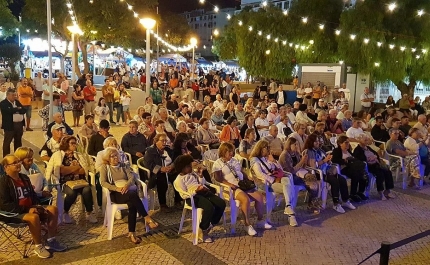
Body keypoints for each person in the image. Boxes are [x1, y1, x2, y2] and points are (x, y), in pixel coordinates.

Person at [0, 155, 67, 258]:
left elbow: (32, 195)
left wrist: (38, 204)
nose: (18, 164)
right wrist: (28, 209)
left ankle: (51, 240)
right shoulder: (3, 182)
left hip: (30, 207)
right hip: (13, 213)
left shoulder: (24, 177)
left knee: (53, 209)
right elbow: (4, 205)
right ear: (6, 167)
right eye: (14, 163)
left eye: (18, 161)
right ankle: (38, 246)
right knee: (33, 217)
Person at [100, 147, 158, 243]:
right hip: (116, 193)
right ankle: (147, 218)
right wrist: (116, 188)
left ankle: (132, 233)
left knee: (132, 203)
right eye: (112, 156)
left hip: (127, 191)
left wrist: (126, 185)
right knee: (133, 196)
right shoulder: (105, 168)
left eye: (116, 155)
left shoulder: (124, 165)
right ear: (107, 158)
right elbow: (103, 182)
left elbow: (131, 178)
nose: (115, 158)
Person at [213, 142, 270, 236]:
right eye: (229, 151)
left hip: (242, 184)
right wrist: (229, 184)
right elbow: (218, 178)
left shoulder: (234, 160)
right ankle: (247, 224)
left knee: (259, 197)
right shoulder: (218, 163)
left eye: (231, 151)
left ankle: (260, 221)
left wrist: (248, 177)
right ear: (223, 152)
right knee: (245, 199)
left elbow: (241, 171)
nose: (231, 153)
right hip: (231, 188)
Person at [173, 154, 226, 243]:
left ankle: (210, 224)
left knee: (221, 203)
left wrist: (200, 176)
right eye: (188, 166)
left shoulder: (192, 173)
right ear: (182, 168)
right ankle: (204, 230)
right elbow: (184, 195)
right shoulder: (179, 180)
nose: (190, 168)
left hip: (202, 192)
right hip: (193, 197)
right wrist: (196, 191)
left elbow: (203, 183)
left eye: (190, 165)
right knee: (209, 207)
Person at [45, 136, 97, 224]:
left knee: (87, 190)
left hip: (81, 181)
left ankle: (89, 213)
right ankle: (65, 211)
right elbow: (61, 171)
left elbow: (83, 170)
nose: (75, 145)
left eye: (75, 143)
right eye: (72, 143)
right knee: (72, 193)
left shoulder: (78, 155)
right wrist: (76, 168)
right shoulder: (57, 155)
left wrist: (69, 169)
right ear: (66, 144)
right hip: (65, 182)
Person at [249, 140, 298, 227]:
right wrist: (273, 180)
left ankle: (288, 206)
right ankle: (291, 216)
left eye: (269, 147)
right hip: (267, 183)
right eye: (266, 148)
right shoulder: (254, 159)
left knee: (287, 181)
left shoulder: (267, 157)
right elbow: (259, 174)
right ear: (260, 148)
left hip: (277, 180)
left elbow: (281, 170)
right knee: (290, 187)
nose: (268, 150)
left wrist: (274, 161)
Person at [304, 134, 356, 213]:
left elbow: (326, 161)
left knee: (342, 179)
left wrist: (328, 161)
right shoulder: (309, 151)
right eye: (316, 141)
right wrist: (324, 161)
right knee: (334, 181)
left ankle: (345, 201)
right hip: (318, 174)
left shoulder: (320, 150)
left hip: (327, 170)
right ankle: (336, 204)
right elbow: (313, 166)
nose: (318, 143)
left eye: (319, 141)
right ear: (311, 142)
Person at [279, 137, 320, 213]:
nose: (297, 146)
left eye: (297, 144)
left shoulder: (295, 153)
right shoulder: (285, 155)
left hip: (299, 174)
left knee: (314, 183)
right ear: (289, 145)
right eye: (295, 144)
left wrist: (304, 160)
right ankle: (312, 204)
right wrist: (301, 162)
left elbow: (302, 166)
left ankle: (312, 203)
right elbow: (290, 171)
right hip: (290, 177)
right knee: (311, 184)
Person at [353, 134, 395, 200]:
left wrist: (375, 158)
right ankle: (380, 192)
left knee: (388, 172)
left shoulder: (368, 147)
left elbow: (376, 154)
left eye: (367, 140)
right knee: (380, 174)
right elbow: (360, 159)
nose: (367, 141)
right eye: (365, 140)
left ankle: (388, 190)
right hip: (368, 166)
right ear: (359, 140)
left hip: (376, 164)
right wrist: (371, 158)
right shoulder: (357, 150)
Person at [144, 133, 179, 212]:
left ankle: (178, 200)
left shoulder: (168, 149)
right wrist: (160, 169)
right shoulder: (150, 151)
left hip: (169, 170)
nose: (164, 142)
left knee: (177, 176)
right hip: (156, 173)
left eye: (165, 140)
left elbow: (175, 159)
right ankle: (162, 204)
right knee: (161, 179)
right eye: (162, 140)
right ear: (156, 141)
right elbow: (149, 165)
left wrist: (172, 166)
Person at [331, 136, 369, 202]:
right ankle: (353, 194)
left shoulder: (348, 150)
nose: (348, 144)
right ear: (340, 143)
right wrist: (344, 161)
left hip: (352, 167)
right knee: (358, 174)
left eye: (348, 143)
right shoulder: (337, 151)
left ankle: (360, 192)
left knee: (360, 173)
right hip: (344, 168)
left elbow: (354, 158)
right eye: (346, 143)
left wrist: (351, 160)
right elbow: (334, 160)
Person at [0, 89, 26, 155]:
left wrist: (15, 110)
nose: (15, 96)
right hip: (9, 125)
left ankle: (17, 156)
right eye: (13, 95)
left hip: (19, 125)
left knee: (18, 141)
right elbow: (8, 111)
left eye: (15, 95)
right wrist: (17, 109)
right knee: (7, 142)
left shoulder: (17, 102)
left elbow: (23, 110)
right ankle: (6, 157)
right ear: (8, 95)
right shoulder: (3, 103)